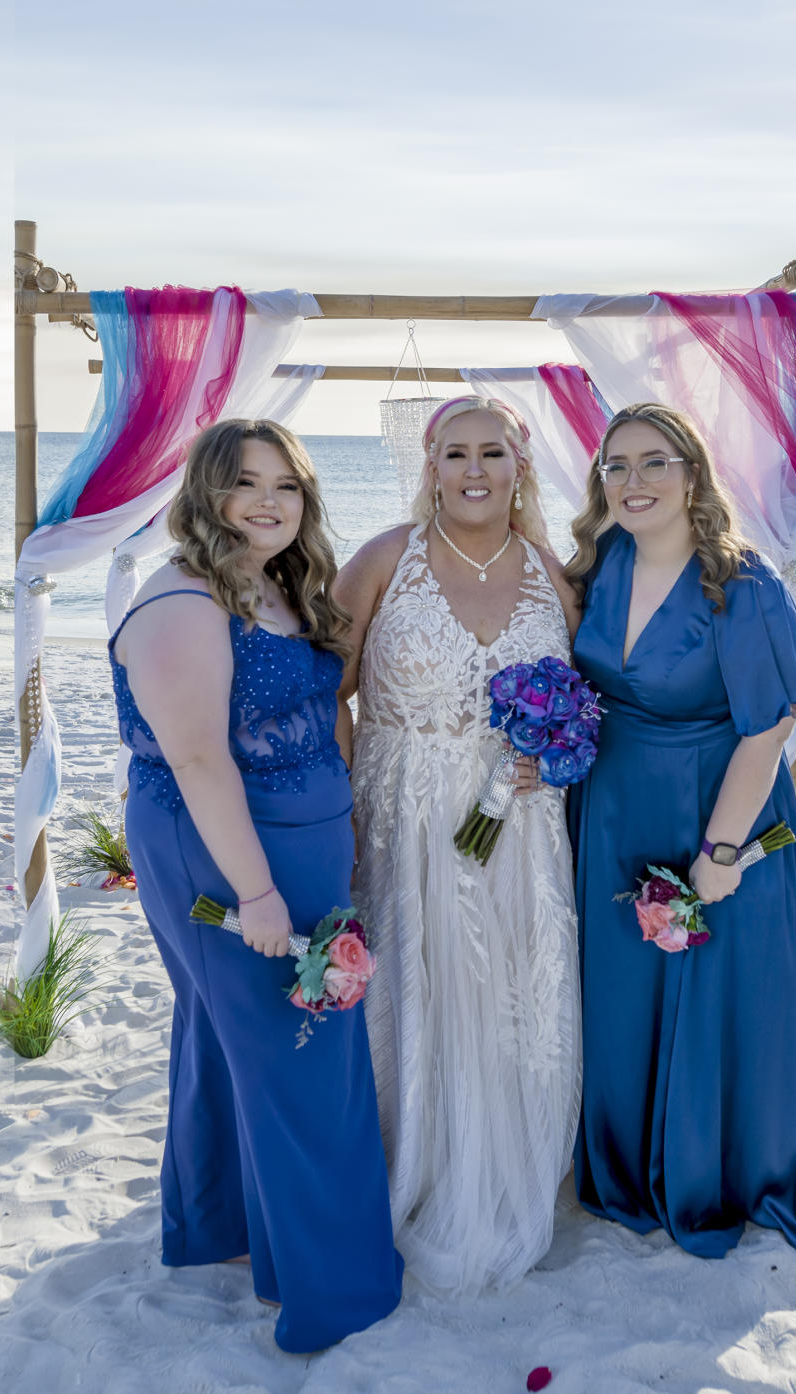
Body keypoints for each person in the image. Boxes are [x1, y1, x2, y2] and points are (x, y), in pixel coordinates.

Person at [108, 419, 403, 1353]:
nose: (269, 501)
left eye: (287, 483)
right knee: (303, 1056)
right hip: (228, 859)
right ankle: (332, 1287)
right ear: (207, 494)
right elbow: (197, 759)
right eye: (245, 483)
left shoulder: (274, 586)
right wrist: (260, 895)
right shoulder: (182, 602)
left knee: (230, 1041)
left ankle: (219, 1231)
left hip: (299, 847)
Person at [565, 401, 796, 1257]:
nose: (633, 482)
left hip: (721, 814)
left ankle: (721, 1172)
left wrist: (720, 853)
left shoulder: (741, 582)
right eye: (616, 465)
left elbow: (769, 726)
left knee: (718, 994)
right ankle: (629, 1163)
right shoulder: (599, 565)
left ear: (692, 473)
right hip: (615, 813)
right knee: (625, 996)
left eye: (654, 462)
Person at [334, 396, 582, 1296]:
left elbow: (589, 703)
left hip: (515, 829)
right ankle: (407, 1163)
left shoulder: (552, 575)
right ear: (431, 465)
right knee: (415, 981)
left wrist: (548, 762)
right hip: (401, 817)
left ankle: (502, 1164)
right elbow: (328, 686)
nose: (474, 470)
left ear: (520, 466)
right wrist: (346, 803)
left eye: (493, 452)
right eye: (455, 453)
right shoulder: (382, 562)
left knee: (504, 988)